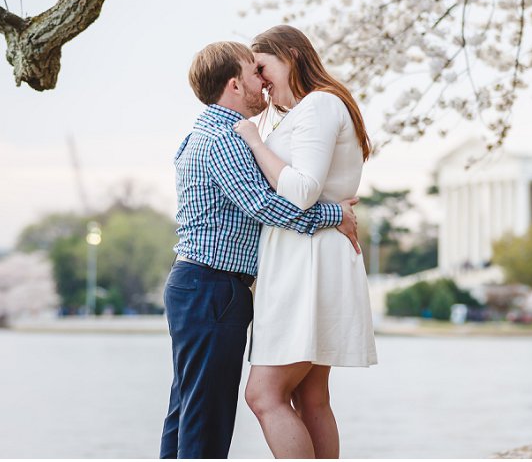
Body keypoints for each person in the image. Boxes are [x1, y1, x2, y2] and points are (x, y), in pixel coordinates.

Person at [160, 41, 361, 460]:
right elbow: (265, 205)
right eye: (255, 74)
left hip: (202, 285)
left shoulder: (204, 132)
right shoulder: (226, 138)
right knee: (205, 416)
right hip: (213, 287)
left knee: (188, 408)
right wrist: (333, 215)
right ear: (235, 84)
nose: (263, 84)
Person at [234, 25, 378, 458]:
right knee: (310, 397)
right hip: (313, 254)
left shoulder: (318, 105)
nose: (260, 80)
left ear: (291, 55)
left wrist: (257, 143)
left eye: (263, 67)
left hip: (308, 261)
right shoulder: (315, 108)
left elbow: (301, 190)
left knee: (264, 395)